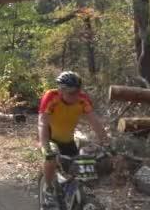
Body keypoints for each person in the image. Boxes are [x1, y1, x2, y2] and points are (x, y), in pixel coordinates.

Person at [38, 71, 108, 202]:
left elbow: (95, 122)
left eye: (77, 92)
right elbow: (42, 123)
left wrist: (106, 143)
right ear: (61, 91)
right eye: (71, 93)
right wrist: (45, 146)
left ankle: (70, 200)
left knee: (76, 171)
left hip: (68, 140)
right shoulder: (51, 97)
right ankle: (48, 188)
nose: (75, 96)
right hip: (49, 137)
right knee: (51, 159)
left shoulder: (83, 99)